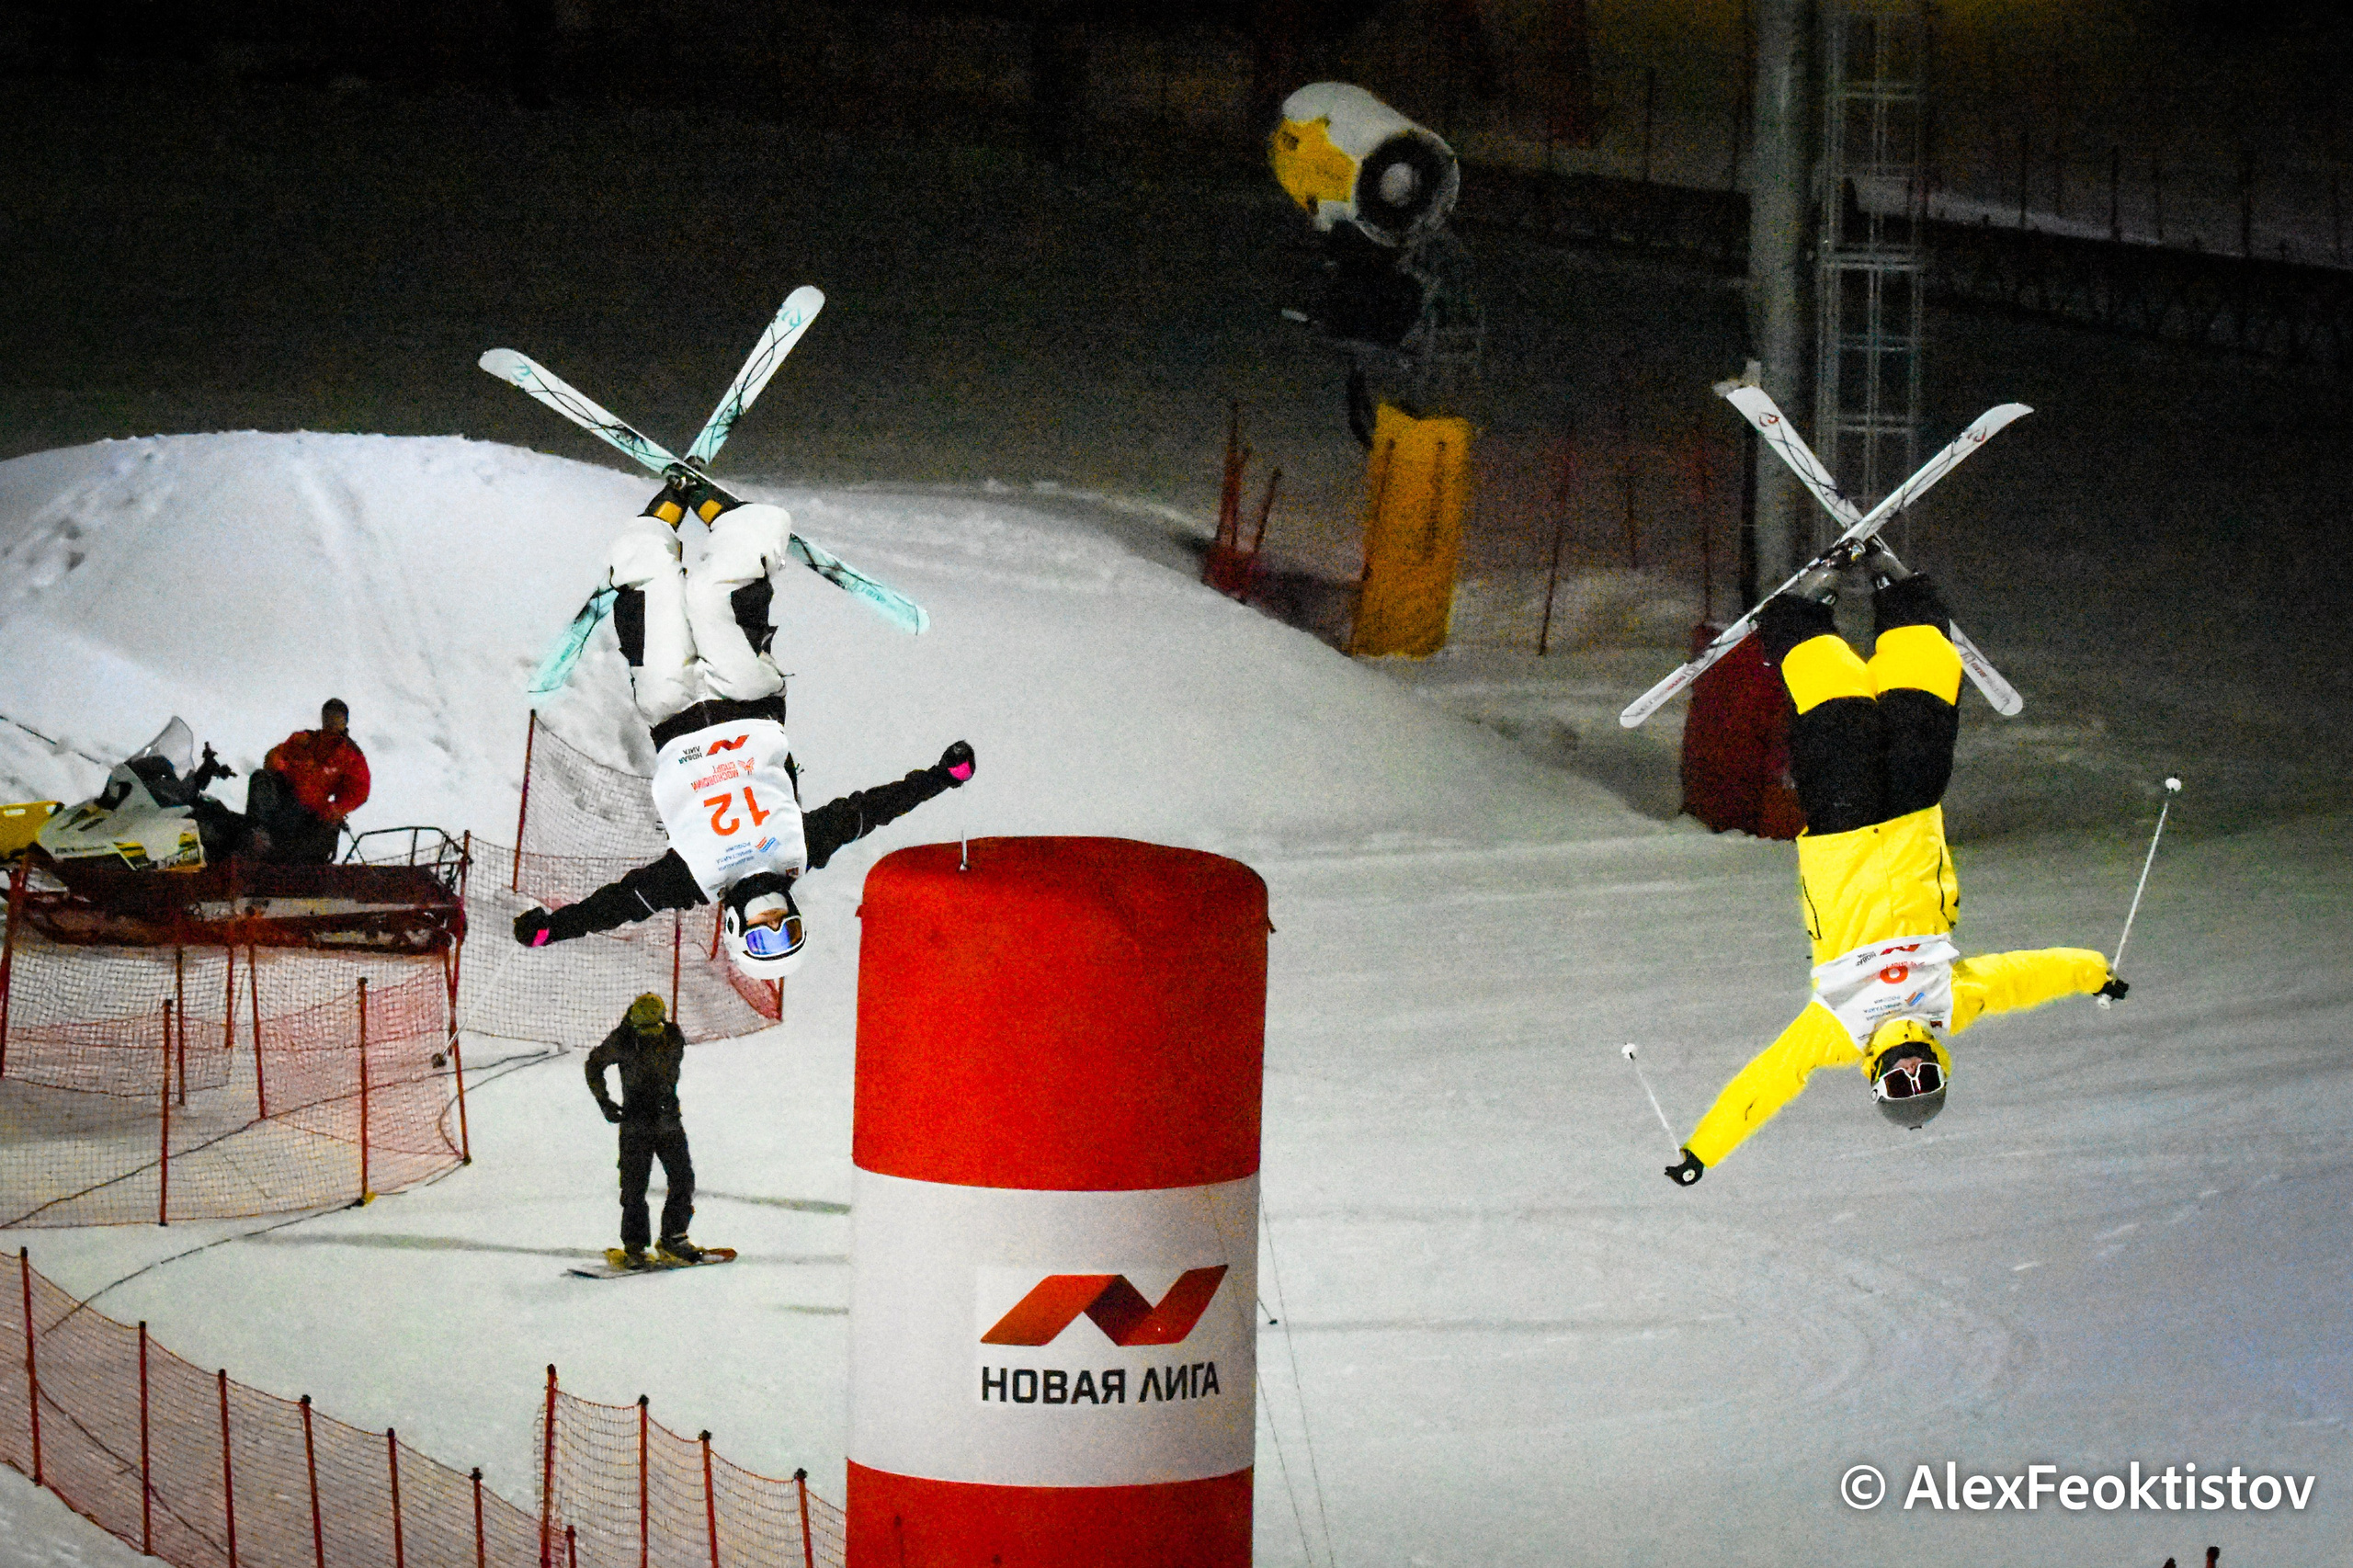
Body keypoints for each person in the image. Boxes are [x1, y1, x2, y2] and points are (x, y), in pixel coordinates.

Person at [1663, 544, 2128, 1187]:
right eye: (1925, 1077)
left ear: (1877, 1080)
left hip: (1843, 834)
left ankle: (1800, 618)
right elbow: (2026, 976)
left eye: (1901, 1082)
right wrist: (2093, 973)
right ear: (1941, 1065)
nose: (1911, 1068)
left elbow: (1767, 1081)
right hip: (1912, 823)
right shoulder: (1950, 1004)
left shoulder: (1837, 1030)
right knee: (1922, 721)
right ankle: (1906, 603)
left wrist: (1703, 1151)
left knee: (1840, 716)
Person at [509, 484, 973, 977]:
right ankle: (744, 527)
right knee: (712, 598)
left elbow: (619, 905)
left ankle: (661, 517)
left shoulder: (691, 879)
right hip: (748, 700)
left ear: (734, 931)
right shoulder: (800, 846)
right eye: (786, 925)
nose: (772, 916)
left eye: (762, 930)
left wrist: (556, 927)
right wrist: (943, 777)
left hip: (671, 715)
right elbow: (872, 809)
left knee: (652, 596)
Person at [586, 992, 699, 1267]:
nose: (650, 1036)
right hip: (636, 1124)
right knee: (634, 1187)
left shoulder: (673, 1037)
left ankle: (674, 1236)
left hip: (668, 1121)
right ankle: (634, 1246)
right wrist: (604, 1101)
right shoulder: (623, 1039)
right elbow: (594, 1064)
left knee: (683, 1179)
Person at [246, 699, 370, 863]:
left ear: (345, 721)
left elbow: (359, 789)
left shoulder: (350, 755)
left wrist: (338, 809)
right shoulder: (305, 739)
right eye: (328, 716)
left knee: (296, 816)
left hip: (311, 813)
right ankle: (257, 833)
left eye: (337, 718)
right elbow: (275, 755)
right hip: (284, 797)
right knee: (261, 778)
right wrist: (281, 769)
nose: (331, 721)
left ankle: (272, 848)